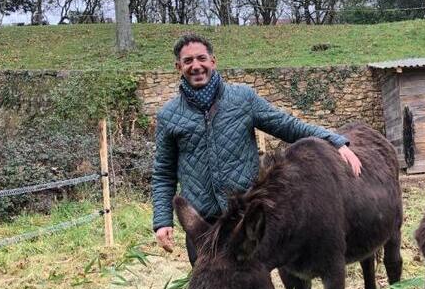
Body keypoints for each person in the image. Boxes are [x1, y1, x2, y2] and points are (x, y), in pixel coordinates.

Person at [152, 33, 362, 260]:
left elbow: (287, 125)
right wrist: (163, 220)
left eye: (201, 58)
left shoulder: (243, 99)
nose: (196, 66)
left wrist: (333, 140)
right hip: (202, 223)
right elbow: (164, 173)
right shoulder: (168, 116)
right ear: (178, 66)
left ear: (213, 61)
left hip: (246, 218)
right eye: (188, 61)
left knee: (252, 285)